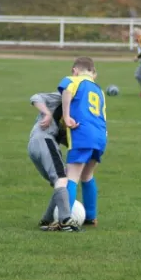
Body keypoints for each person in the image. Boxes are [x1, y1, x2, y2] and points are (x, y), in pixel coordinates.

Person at [59, 57, 107, 228]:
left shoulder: (73, 80)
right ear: (93, 73)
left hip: (82, 134)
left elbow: (66, 90)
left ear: (75, 70)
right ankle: (91, 217)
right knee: (87, 175)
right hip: (100, 136)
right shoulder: (99, 90)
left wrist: (66, 116)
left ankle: (65, 219)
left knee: (71, 176)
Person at [28, 91, 78, 232]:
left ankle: (47, 219)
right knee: (61, 179)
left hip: (38, 145)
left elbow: (68, 140)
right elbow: (35, 97)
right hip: (44, 139)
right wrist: (47, 113)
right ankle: (66, 220)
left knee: (61, 181)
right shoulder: (66, 95)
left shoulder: (77, 108)